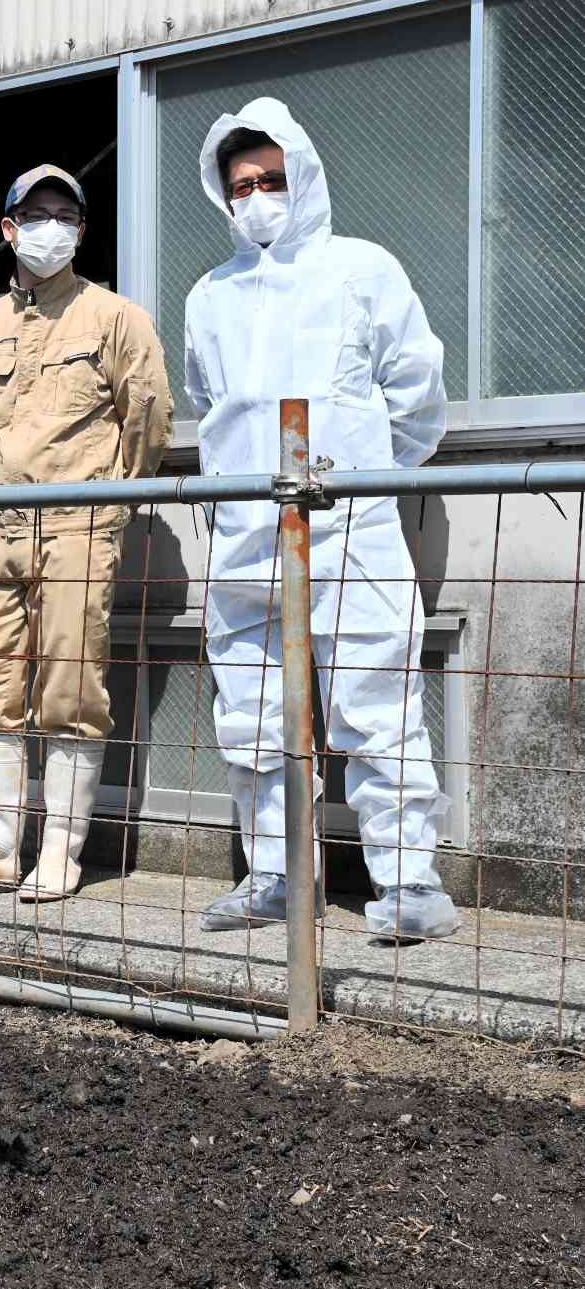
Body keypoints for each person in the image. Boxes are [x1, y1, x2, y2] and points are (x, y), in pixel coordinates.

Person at [183, 97, 460, 941]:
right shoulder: (209, 295)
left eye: (270, 178)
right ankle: (275, 876)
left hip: (350, 525)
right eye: (240, 185)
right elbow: (206, 404)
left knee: (378, 700)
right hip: (246, 531)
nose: (257, 196)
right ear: (223, 197)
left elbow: (418, 394)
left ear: (302, 175)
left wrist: (370, 480)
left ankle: (409, 884)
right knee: (252, 711)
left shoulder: (361, 269)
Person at [0, 165, 172, 901]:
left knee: (71, 683)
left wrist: (108, 504)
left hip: (78, 520)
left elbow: (148, 421)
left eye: (67, 215)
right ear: (10, 229)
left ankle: (61, 853)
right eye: (38, 214)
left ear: (81, 231)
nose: (54, 226)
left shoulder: (115, 317)